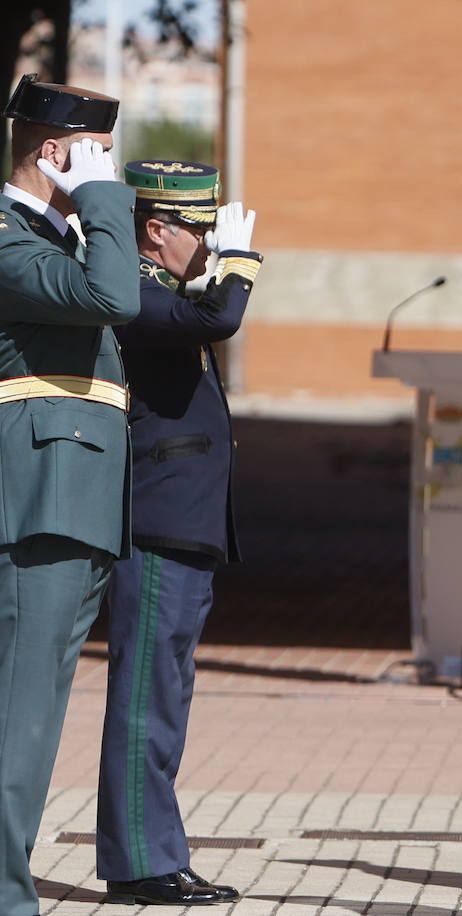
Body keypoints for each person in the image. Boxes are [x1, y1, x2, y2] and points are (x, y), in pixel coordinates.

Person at [95, 160, 261, 906]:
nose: (211, 242)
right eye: (202, 229)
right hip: (159, 522)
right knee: (146, 700)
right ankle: (140, 865)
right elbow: (217, 319)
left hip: (183, 525)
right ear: (157, 230)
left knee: (166, 697)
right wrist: (239, 264)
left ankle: (158, 853)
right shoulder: (130, 287)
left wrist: (214, 266)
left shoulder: (162, 290)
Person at [0, 74, 140, 916]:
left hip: (74, 499)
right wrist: (102, 200)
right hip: (39, 496)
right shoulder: (6, 237)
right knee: (17, 720)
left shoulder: (55, 236)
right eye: (95, 156)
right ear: (53, 153)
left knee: (34, 717)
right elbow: (112, 297)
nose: (107, 172)